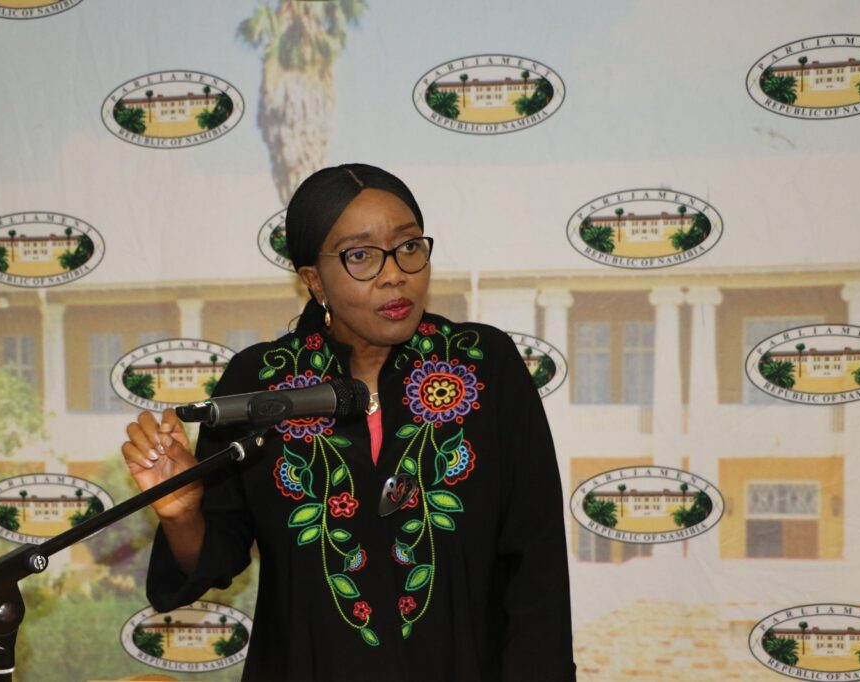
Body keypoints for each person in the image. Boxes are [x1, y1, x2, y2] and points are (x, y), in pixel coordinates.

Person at [121, 163, 576, 681]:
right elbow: (216, 558)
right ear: (314, 280)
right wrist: (183, 514)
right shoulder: (263, 383)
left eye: (409, 246)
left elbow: (536, 559)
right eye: (360, 255)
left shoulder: (483, 364)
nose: (394, 273)